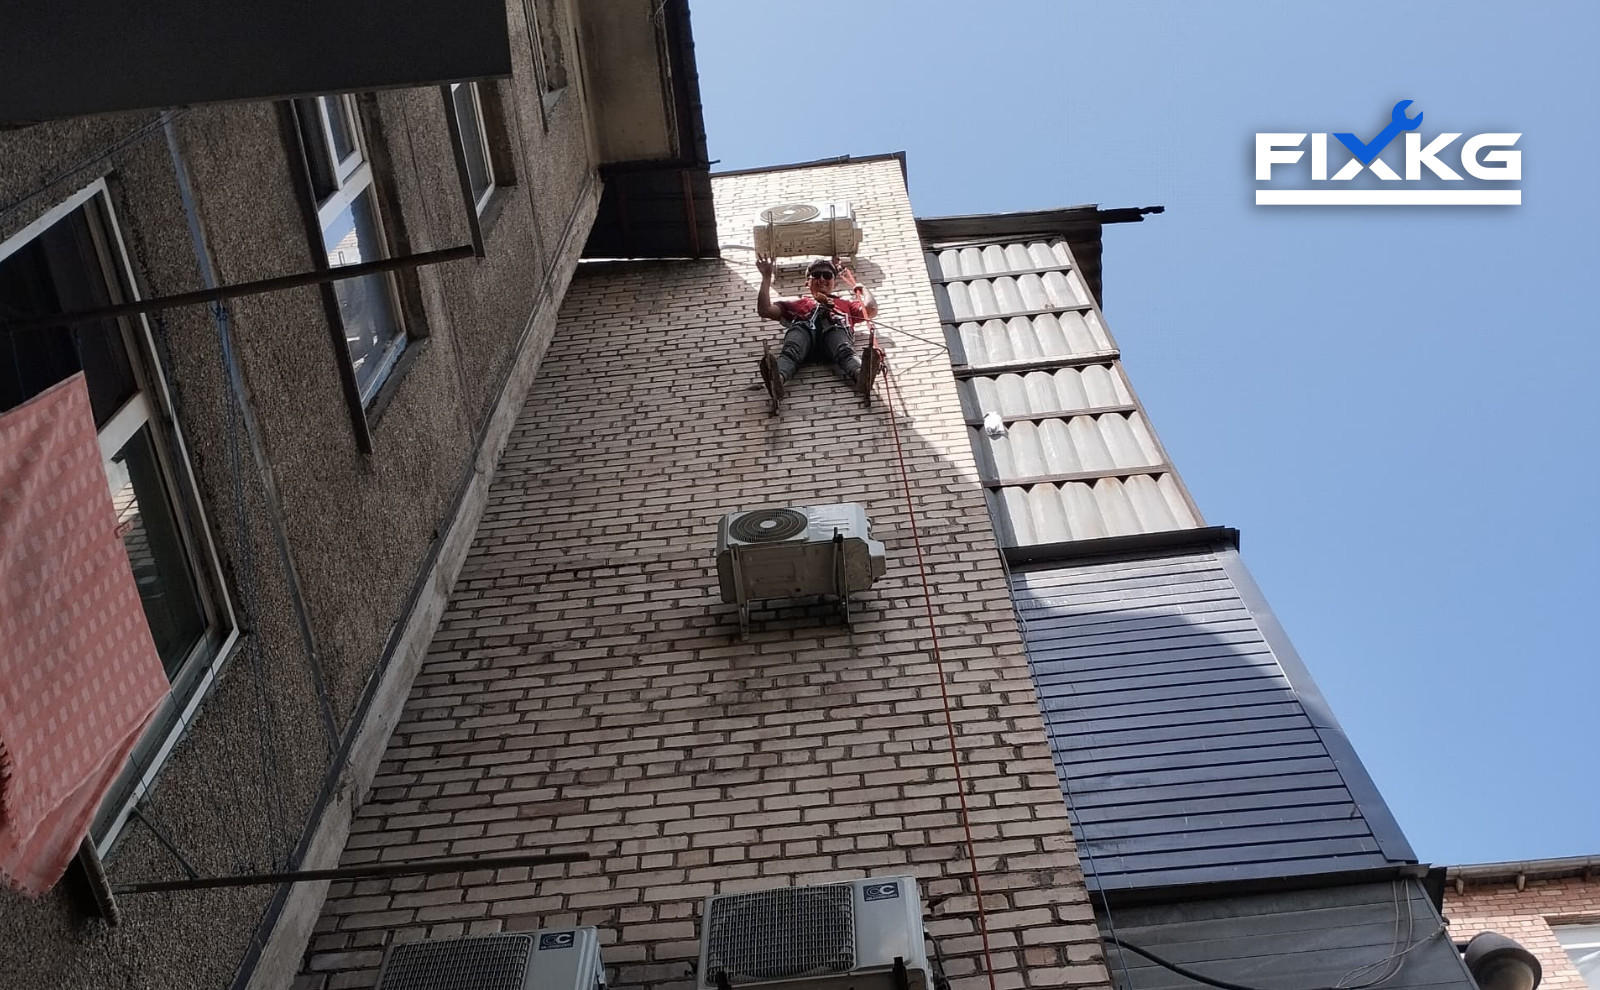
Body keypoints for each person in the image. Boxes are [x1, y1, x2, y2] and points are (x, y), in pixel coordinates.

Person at [754, 254, 879, 406]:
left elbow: (871, 309)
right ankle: (777, 379)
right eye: (816, 275)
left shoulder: (844, 304)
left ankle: (861, 375)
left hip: (834, 334)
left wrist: (863, 289)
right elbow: (765, 310)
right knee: (793, 346)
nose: (822, 279)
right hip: (805, 336)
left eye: (827, 275)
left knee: (844, 348)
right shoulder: (799, 304)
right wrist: (766, 277)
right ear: (807, 282)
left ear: (834, 282)